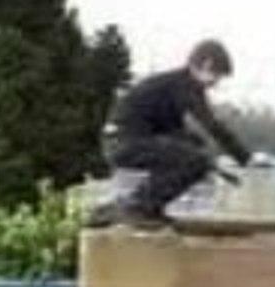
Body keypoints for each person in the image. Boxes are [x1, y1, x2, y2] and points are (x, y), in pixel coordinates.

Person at [88, 39, 253, 230]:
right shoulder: (185, 86)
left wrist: (209, 161)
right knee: (194, 161)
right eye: (217, 76)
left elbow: (176, 133)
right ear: (206, 65)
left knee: (194, 151)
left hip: (123, 140)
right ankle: (137, 206)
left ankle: (137, 207)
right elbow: (212, 125)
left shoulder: (173, 84)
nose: (215, 84)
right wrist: (245, 158)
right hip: (125, 141)